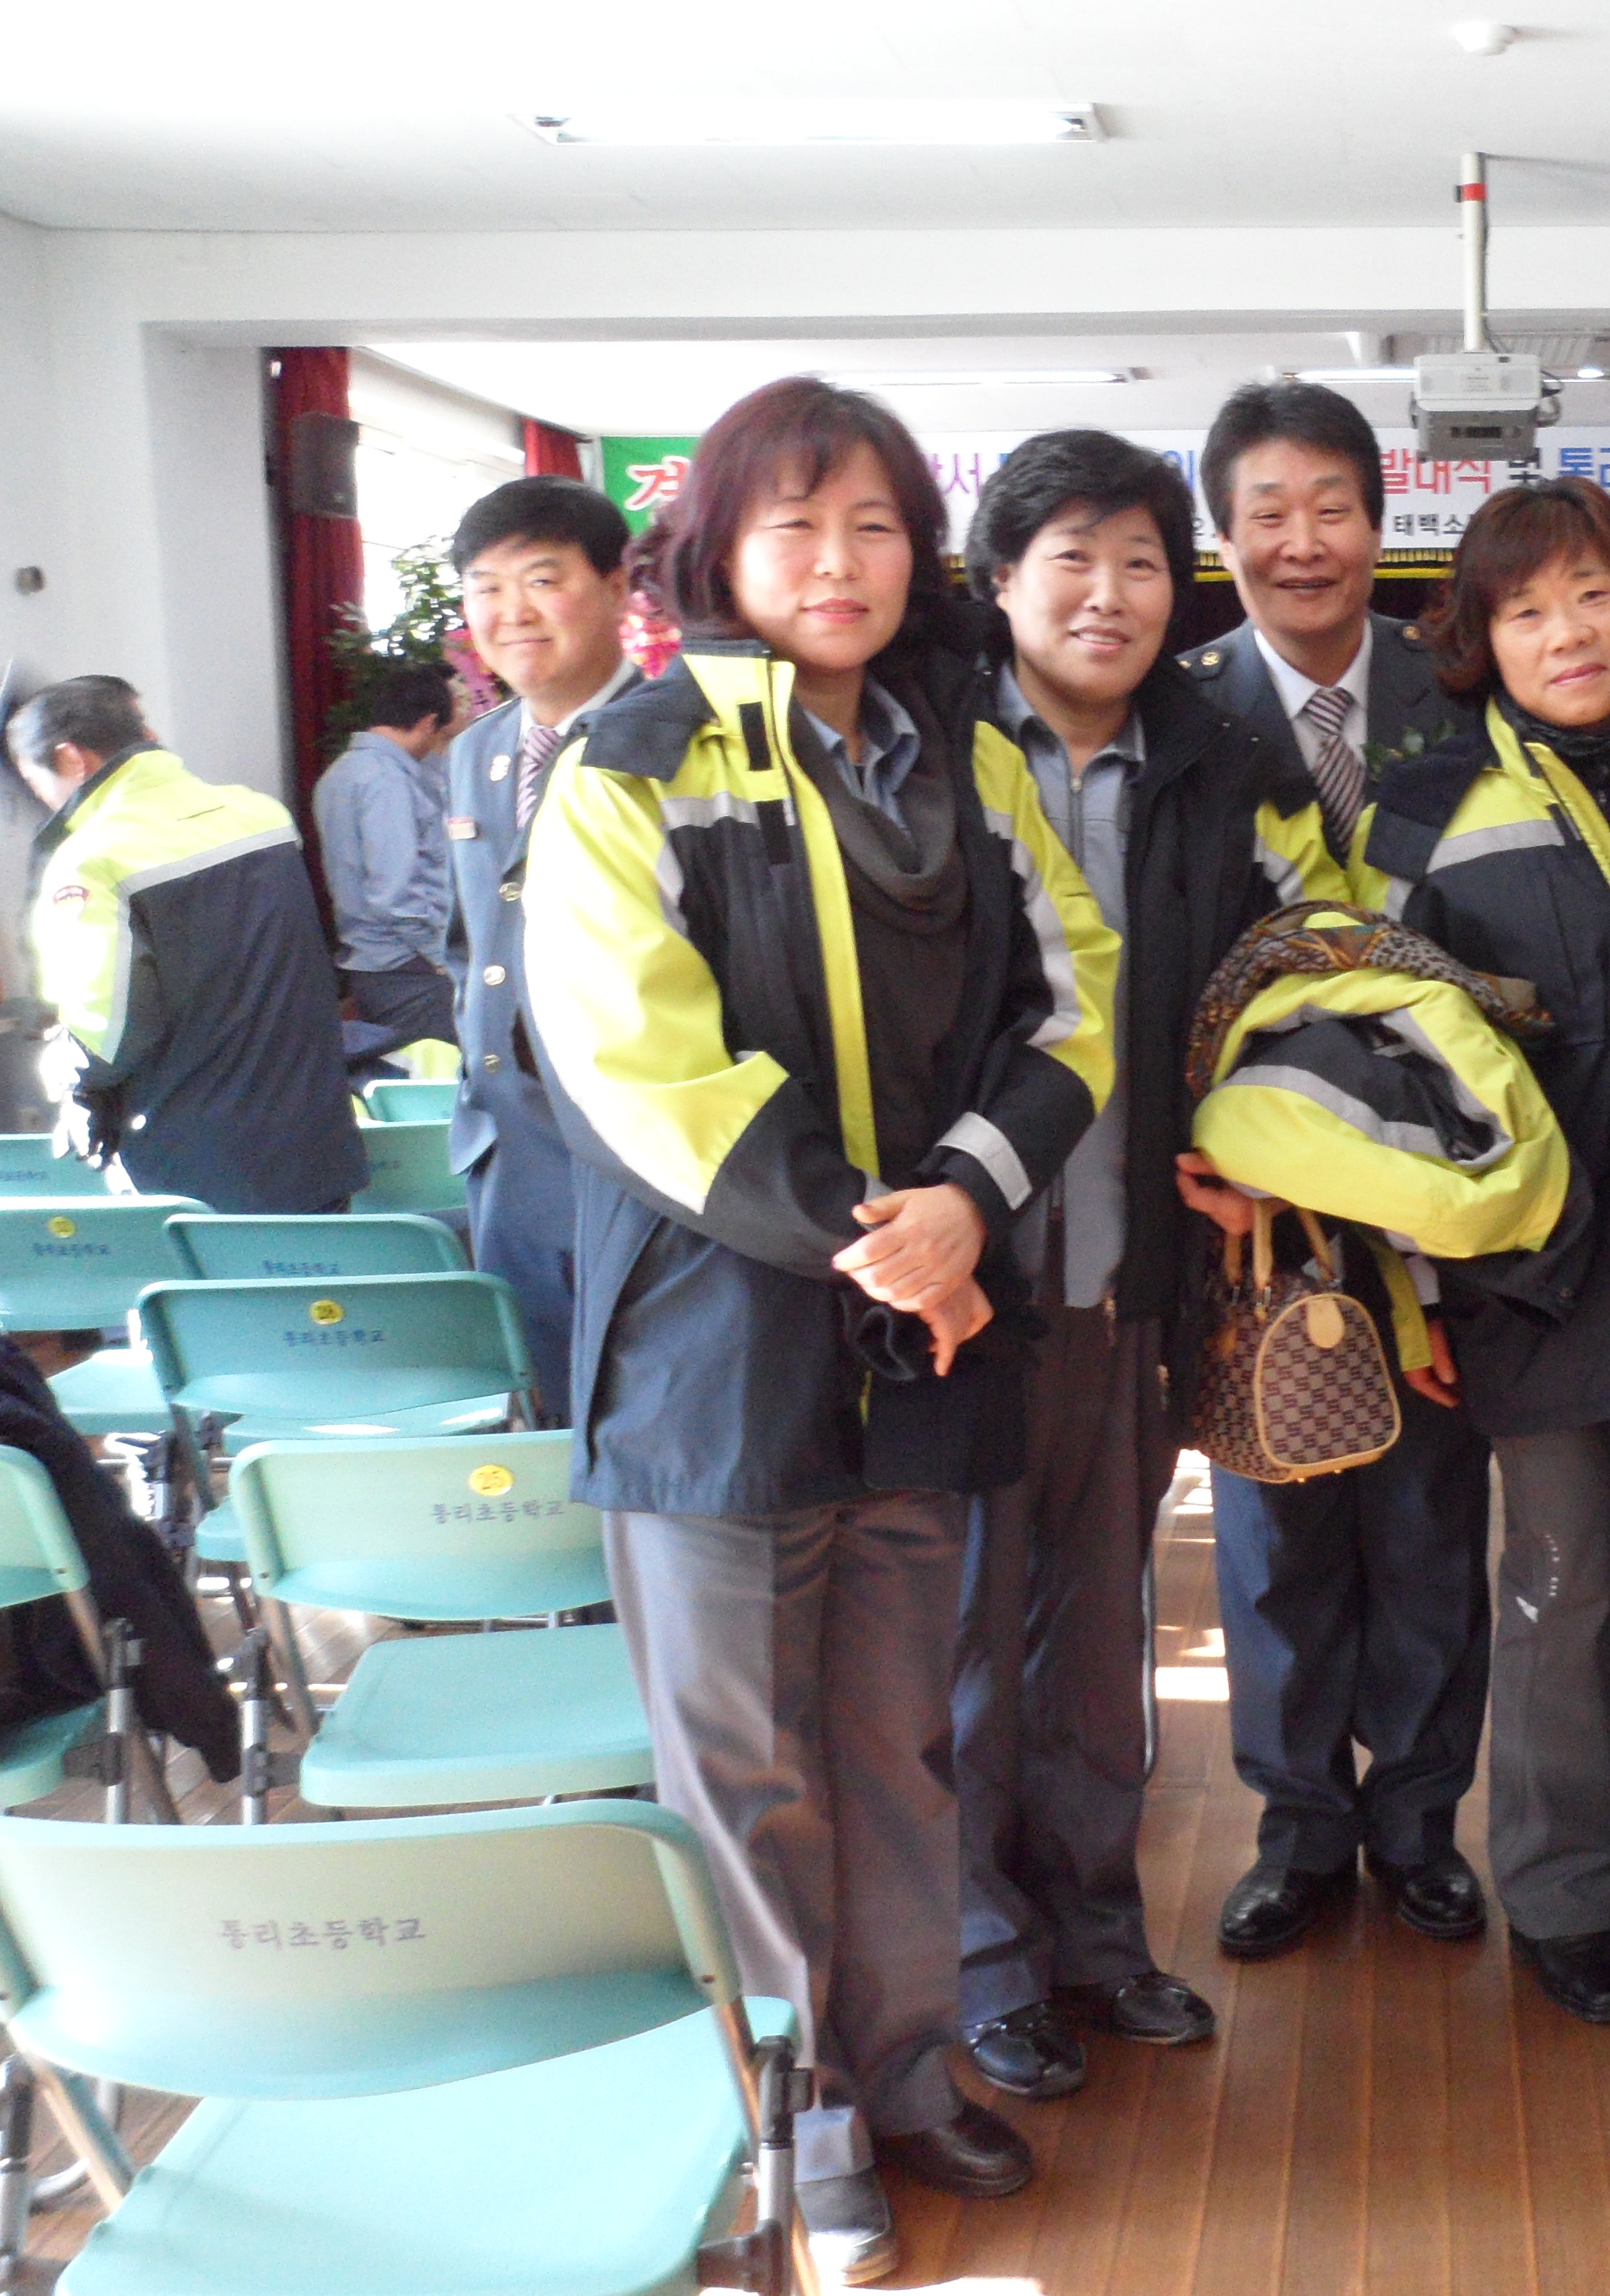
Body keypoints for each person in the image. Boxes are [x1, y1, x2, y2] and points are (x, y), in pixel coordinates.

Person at [519, 377, 1120, 2278]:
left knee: (895, 1742)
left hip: (927, 1327)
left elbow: (1075, 998)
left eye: (872, 525)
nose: (837, 561)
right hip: (715, 1344)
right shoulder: (629, 763)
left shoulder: (972, 762)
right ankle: (804, 2123)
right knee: (744, 1770)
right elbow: (635, 1064)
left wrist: (968, 1199)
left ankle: (913, 2070)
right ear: (715, 549)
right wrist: (891, 1242)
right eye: (793, 525)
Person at [946, 430, 1342, 2100]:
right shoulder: (920, 747)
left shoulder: (1224, 759)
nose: (1107, 596)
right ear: (1001, 580)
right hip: (955, 1290)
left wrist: (1264, 1141)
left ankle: (1099, 1940)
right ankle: (981, 1962)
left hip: (1132, 1270)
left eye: (1139, 563)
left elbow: (1320, 965)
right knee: (965, 1650)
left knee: (1100, 1643)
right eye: (1072, 560)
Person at [1356, 476, 1610, 2028]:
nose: (1566, 632)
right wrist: (1414, 1284)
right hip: (1532, 1262)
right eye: (1524, 610)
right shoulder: (1424, 807)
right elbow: (1377, 1058)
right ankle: (1562, 1889)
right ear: (1479, 639)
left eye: (1591, 593)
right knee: (1565, 1576)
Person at [1170, 380, 1492, 1962]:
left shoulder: (1464, 694)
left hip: (1437, 1195)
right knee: (1274, 1531)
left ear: (1381, 519)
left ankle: (1420, 1825)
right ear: (1221, 534)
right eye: (1267, 514)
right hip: (1259, 1209)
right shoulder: (1178, 714)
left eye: (1332, 509)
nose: (1302, 544)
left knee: (1431, 1527)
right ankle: (1297, 1828)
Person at [10, 675, 364, 1214]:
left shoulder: (93, 859)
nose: (41, 798)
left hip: (204, 1168)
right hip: (315, 1142)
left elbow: (108, 1036)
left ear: (71, 759)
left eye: (34, 780)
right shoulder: (262, 815)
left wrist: (63, 1073)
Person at [442, 476, 639, 1413]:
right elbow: (470, 940)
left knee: (637, 1414)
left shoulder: (674, 743)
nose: (511, 612)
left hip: (629, 1159)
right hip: (508, 1155)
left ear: (618, 586)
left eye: (543, 580)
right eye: (485, 587)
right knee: (544, 1418)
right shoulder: (474, 752)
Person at [312, 661, 460, 1046]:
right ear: (428, 723)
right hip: (407, 966)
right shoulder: (387, 780)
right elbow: (395, 892)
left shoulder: (344, 771)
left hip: (380, 962)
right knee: (435, 1074)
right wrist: (440, 957)